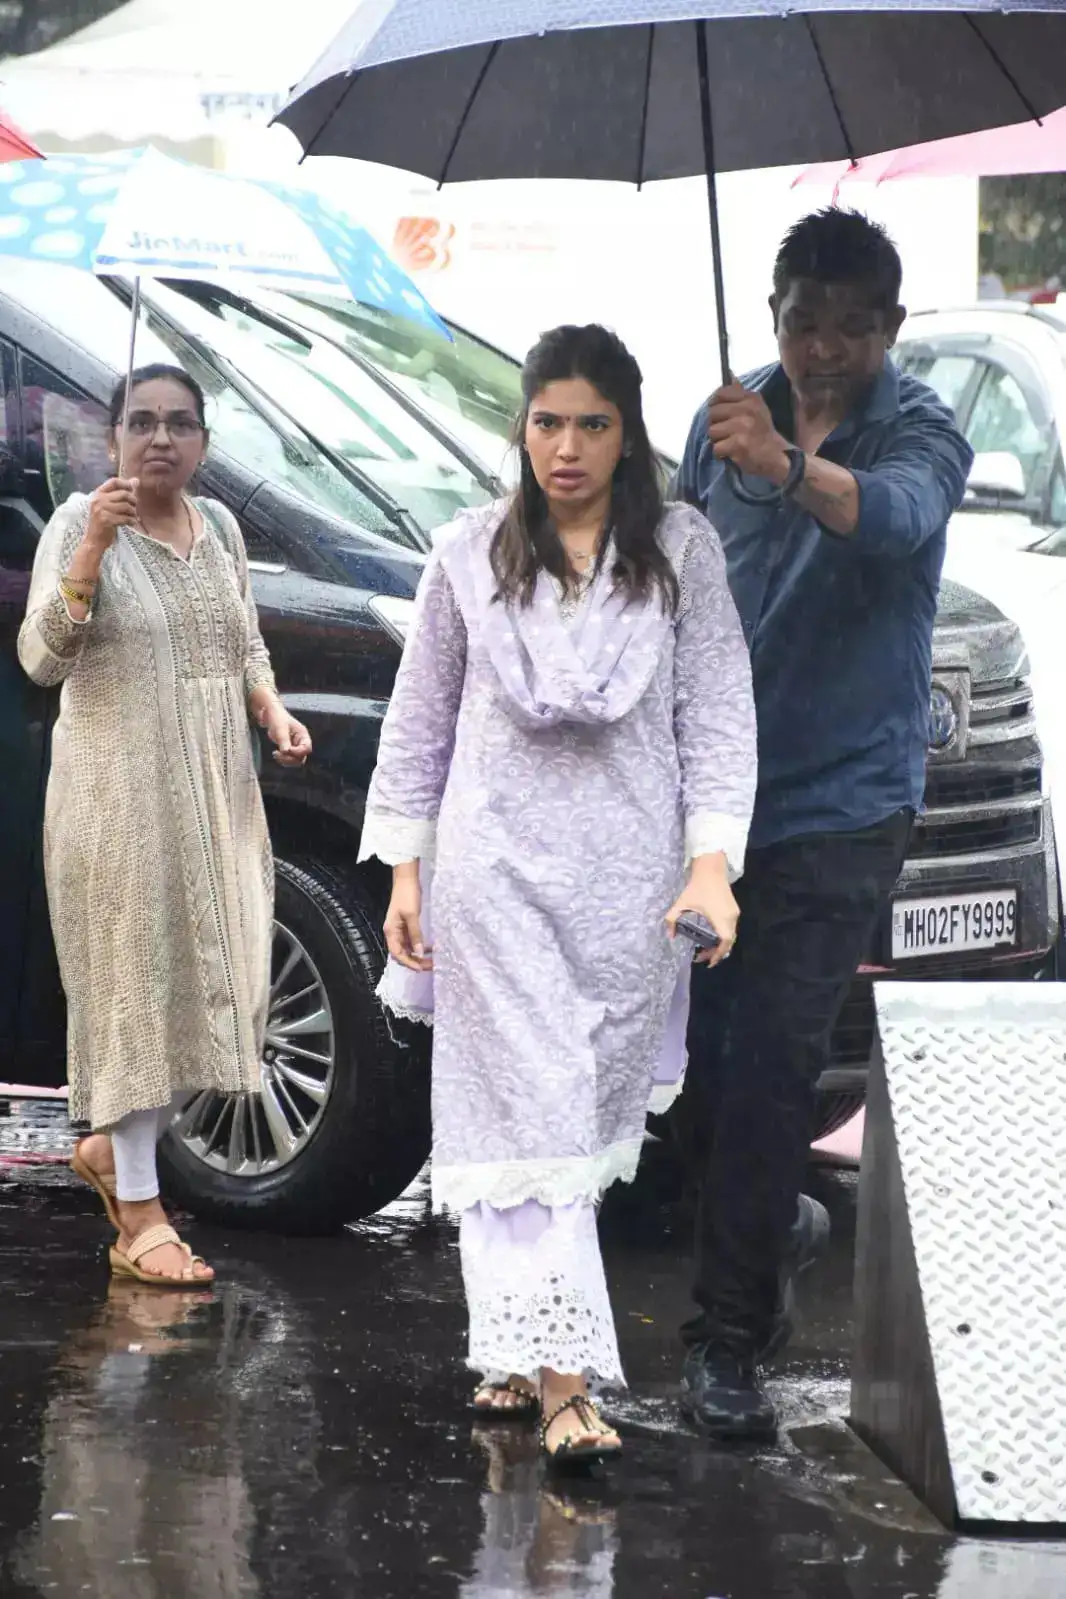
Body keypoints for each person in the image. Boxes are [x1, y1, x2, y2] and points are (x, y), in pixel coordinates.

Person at [358, 324, 756, 1468]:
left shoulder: (682, 551)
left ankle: (507, 1343)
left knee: (575, 1122)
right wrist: (405, 868)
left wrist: (710, 868)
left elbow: (718, 720)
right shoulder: (470, 551)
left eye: (590, 424)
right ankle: (565, 1385)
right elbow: (419, 718)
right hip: (494, 875)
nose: (565, 447)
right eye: (546, 422)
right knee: (521, 1105)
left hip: (630, 887)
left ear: (627, 435)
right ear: (519, 426)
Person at [673, 208, 974, 1439]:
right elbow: (677, 582)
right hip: (718, 804)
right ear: (774, 314)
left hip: (845, 801)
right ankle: (780, 1220)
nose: (824, 348)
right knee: (689, 1074)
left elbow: (896, 521)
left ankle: (724, 1351)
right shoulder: (723, 416)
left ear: (888, 328)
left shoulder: (920, 428)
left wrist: (787, 471)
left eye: (853, 326)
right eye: (804, 322)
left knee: (768, 1069)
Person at [18, 363, 311, 1286]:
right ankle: (138, 1212)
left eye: (179, 424)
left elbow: (243, 639)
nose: (159, 439)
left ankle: (114, 1154)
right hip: (118, 798)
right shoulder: (79, 521)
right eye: (140, 422)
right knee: (136, 990)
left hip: (214, 792)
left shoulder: (218, 527)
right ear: (111, 439)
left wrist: (271, 706)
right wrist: (92, 552)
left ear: (204, 444)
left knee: (212, 980)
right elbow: (39, 659)